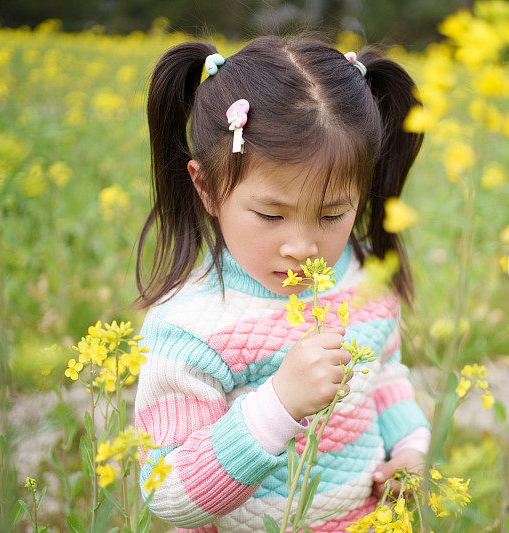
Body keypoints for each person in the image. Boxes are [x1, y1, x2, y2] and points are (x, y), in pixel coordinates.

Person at [132, 34, 431, 532]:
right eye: (271, 215)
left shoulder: (363, 280)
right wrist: (278, 406)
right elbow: (169, 493)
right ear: (205, 187)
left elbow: (385, 377)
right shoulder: (189, 327)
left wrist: (409, 449)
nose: (303, 247)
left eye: (333, 214)